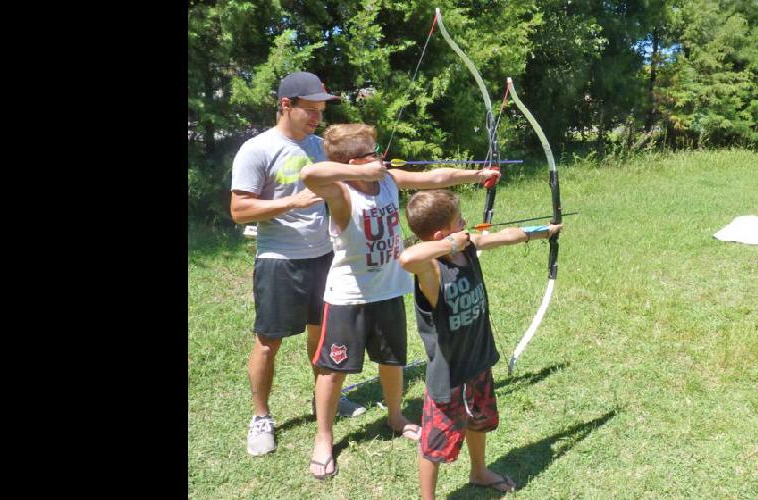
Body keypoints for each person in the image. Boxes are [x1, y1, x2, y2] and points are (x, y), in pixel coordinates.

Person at [299, 123, 502, 480]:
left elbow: (435, 177)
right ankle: (323, 437)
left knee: (391, 359)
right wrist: (358, 172)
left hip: (390, 288)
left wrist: (478, 173)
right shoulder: (340, 192)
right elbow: (310, 173)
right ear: (352, 162)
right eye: (371, 153)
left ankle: (395, 417)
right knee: (333, 370)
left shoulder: (390, 181)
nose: (380, 158)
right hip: (349, 294)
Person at [229, 71, 368, 457]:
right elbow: (239, 209)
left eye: (321, 111)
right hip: (279, 260)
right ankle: (261, 417)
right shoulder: (257, 149)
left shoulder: (320, 147)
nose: (317, 118)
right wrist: (291, 202)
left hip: (324, 257)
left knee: (321, 335)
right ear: (285, 106)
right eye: (310, 110)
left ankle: (323, 399)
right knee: (268, 343)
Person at [398, 189, 562, 496]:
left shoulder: (469, 247)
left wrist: (544, 232)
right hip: (449, 375)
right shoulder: (431, 269)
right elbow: (407, 258)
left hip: (478, 359)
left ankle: (479, 471)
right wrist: (449, 244)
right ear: (440, 234)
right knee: (434, 443)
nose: (466, 223)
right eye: (459, 221)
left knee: (478, 421)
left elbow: (508, 236)